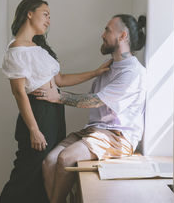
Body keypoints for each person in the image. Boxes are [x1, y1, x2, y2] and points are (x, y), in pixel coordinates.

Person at [0, 0, 112, 203]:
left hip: (53, 114)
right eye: (45, 14)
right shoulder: (16, 50)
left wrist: (95, 72)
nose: (49, 20)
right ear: (29, 14)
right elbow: (19, 93)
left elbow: (60, 80)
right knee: (26, 174)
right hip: (38, 115)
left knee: (45, 173)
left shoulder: (38, 48)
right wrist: (34, 130)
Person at [33, 14, 147, 203]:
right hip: (94, 131)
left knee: (65, 158)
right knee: (49, 162)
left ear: (122, 36)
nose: (102, 35)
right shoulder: (110, 68)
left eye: (107, 30)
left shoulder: (133, 73)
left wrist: (58, 97)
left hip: (118, 137)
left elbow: (94, 101)